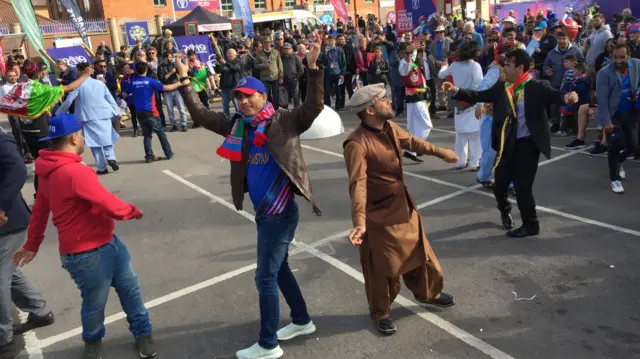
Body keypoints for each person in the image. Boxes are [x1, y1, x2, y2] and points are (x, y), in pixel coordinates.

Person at [175, 42, 324, 359]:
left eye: (248, 96)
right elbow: (201, 115)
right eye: (238, 97)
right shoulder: (237, 127)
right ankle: (301, 320)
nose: (242, 101)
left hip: (280, 214)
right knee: (279, 269)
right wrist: (186, 81)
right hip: (264, 214)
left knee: (265, 277)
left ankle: (268, 344)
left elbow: (312, 107)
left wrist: (312, 69)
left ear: (263, 96)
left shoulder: (284, 121)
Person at [12, 114, 155, 359]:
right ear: (74, 137)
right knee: (100, 303)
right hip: (88, 254)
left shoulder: (46, 171)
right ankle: (98, 342)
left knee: (122, 294)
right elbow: (107, 202)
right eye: (81, 134)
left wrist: (32, 244)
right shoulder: (76, 171)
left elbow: (40, 211)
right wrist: (131, 211)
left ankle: (139, 334)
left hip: (105, 245)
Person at [343, 83, 458, 335]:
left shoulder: (389, 127)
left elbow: (414, 143)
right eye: (383, 100)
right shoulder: (356, 143)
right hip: (379, 216)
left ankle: (428, 293)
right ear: (370, 110)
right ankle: (381, 312)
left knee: (419, 253)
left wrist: (441, 152)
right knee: (383, 268)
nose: (389, 102)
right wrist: (360, 221)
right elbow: (358, 184)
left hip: (403, 205)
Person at [442, 49, 578, 238]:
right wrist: (456, 90)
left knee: (523, 187)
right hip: (507, 142)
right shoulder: (502, 87)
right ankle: (505, 210)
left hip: (528, 145)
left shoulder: (537, 87)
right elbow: (478, 95)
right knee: (500, 184)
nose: (503, 67)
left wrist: (567, 97)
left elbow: (556, 95)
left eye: (507, 64)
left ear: (520, 67)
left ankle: (531, 225)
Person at [0, 132, 54, 355]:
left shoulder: (1, 141)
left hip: (9, 221)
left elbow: (17, 169)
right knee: (8, 270)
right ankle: (39, 311)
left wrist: (1, 205)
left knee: (1, 274)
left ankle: (3, 337)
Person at [57, 62, 122, 175]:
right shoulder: (100, 83)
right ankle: (111, 157)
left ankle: (102, 167)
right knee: (107, 137)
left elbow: (68, 100)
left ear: (81, 71)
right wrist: (117, 111)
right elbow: (110, 98)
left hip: (87, 116)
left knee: (94, 143)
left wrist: (59, 113)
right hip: (104, 114)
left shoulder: (78, 84)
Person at [595, 44, 640, 194]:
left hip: (630, 112)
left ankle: (620, 162)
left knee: (632, 146)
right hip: (613, 114)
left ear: (629, 56)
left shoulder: (637, 65)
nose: (618, 60)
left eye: (622, 57)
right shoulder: (604, 73)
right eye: (615, 57)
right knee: (615, 145)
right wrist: (606, 122)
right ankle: (615, 180)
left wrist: (638, 93)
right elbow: (602, 98)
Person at [124, 61, 183, 163]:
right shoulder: (150, 81)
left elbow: (124, 94)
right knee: (160, 133)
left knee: (147, 135)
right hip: (151, 112)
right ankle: (168, 153)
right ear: (146, 69)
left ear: (136, 71)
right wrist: (178, 83)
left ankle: (149, 156)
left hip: (139, 113)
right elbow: (167, 87)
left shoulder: (133, 83)